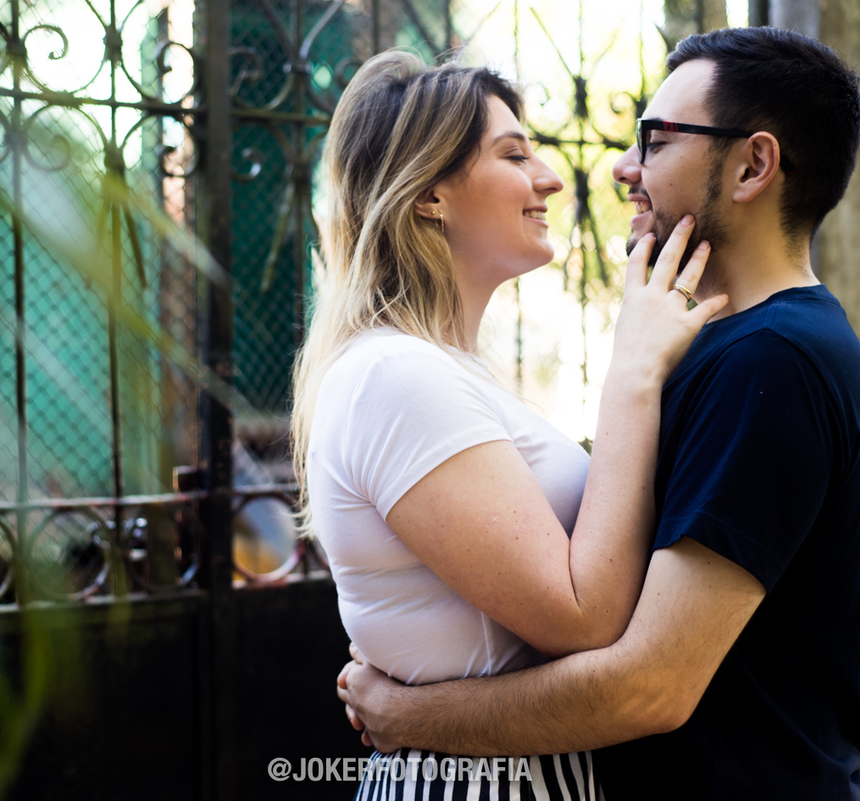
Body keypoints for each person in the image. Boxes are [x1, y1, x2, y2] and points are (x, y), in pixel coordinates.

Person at [338, 26, 860, 801]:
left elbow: (648, 685)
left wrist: (408, 714)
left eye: (655, 141)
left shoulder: (774, 360)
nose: (622, 167)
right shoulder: (713, 349)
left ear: (753, 166)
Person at [292, 51, 727, 799]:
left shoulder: (441, 372)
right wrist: (632, 371)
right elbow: (583, 618)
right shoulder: (395, 376)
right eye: (514, 155)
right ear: (430, 195)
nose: (550, 179)